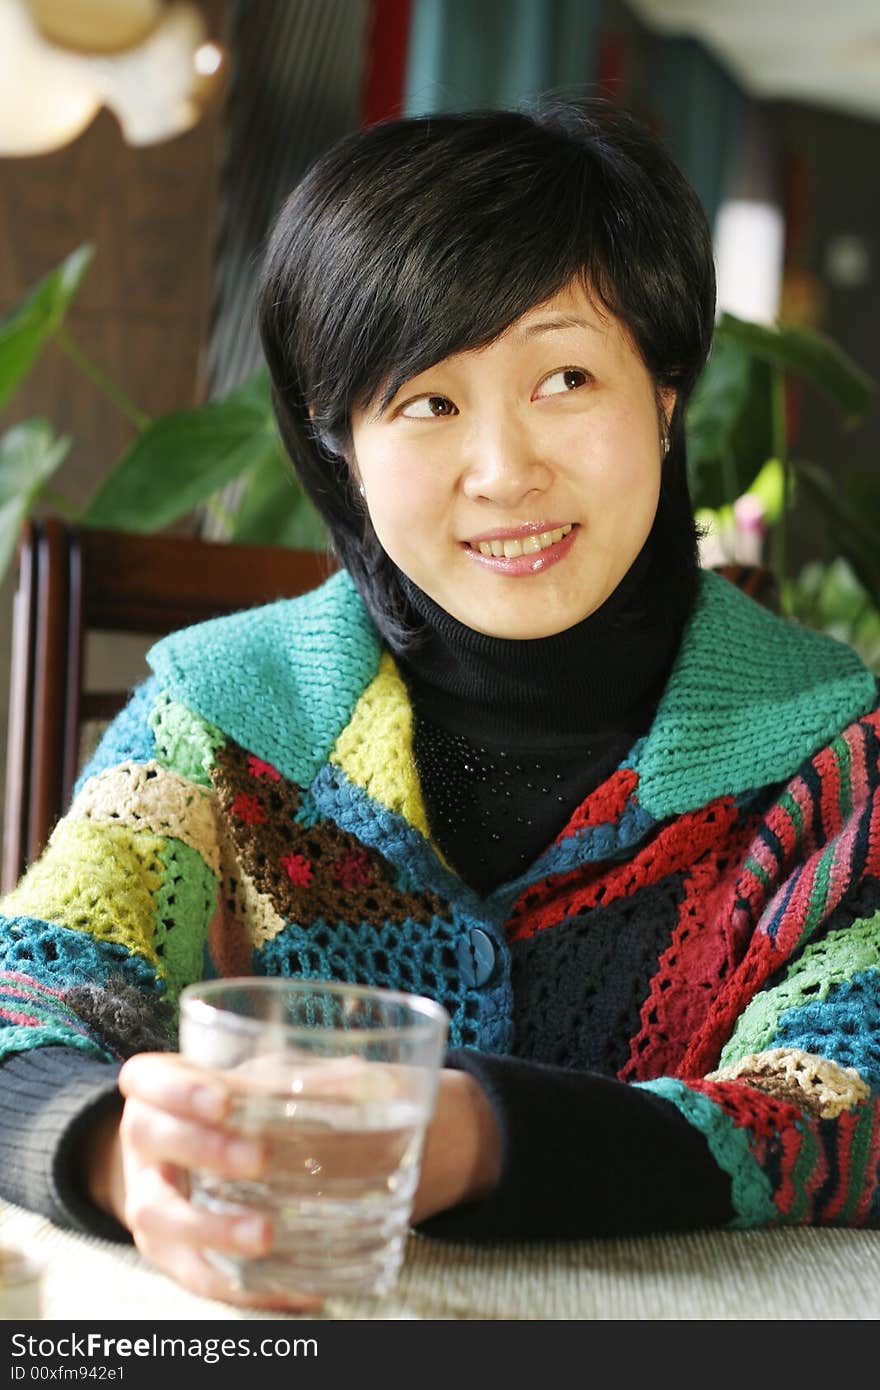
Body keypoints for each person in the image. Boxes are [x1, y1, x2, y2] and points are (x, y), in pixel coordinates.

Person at [1, 97, 879, 1312]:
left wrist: (477, 1135)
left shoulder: (827, 752)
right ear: (338, 438)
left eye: (565, 375)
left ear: (666, 390)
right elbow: (27, 997)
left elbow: (841, 1098)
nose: (505, 470)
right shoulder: (219, 719)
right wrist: (105, 1145)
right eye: (428, 401)